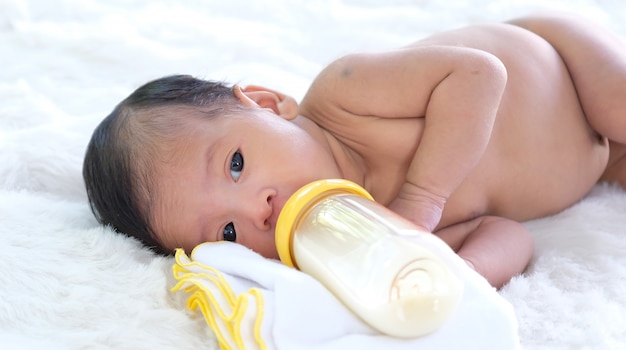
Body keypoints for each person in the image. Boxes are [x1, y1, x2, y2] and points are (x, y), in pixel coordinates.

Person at [83, 13, 626, 289]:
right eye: (227, 233)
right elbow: (510, 234)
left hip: (564, 64)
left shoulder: (346, 97)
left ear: (270, 104)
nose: (257, 209)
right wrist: (454, 272)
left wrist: (422, 199)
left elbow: (480, 73)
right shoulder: (364, 235)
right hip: (598, 163)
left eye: (236, 165)